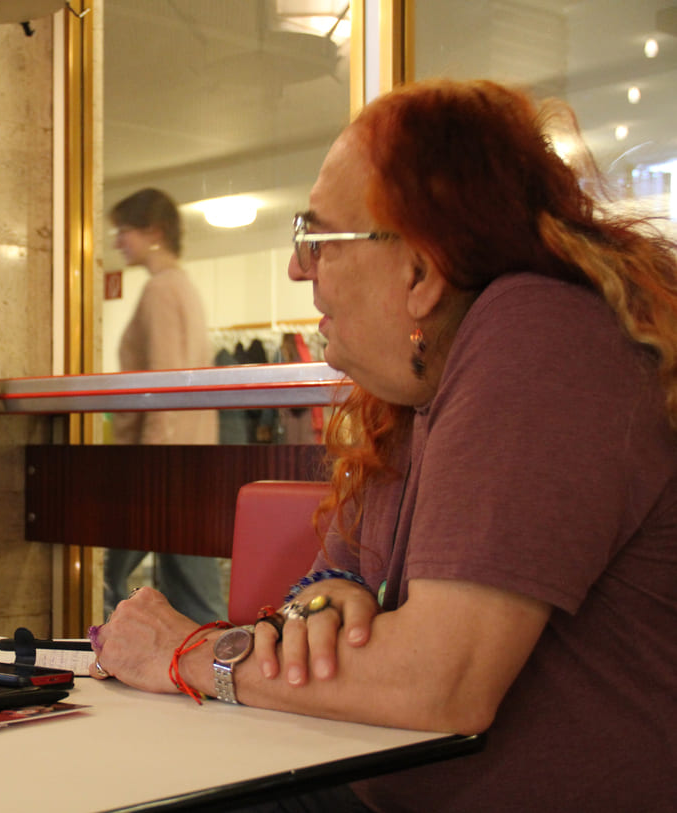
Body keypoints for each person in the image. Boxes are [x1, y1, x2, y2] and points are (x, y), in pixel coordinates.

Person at [92, 79, 677, 812]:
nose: (296, 269)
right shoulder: (410, 393)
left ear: (422, 269)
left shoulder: (540, 338)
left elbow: (442, 684)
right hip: (356, 781)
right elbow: (313, 589)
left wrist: (188, 655)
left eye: (316, 238)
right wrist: (322, 609)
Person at [104, 188, 225, 624]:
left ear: (153, 232)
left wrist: (151, 465)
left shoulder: (161, 289)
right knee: (188, 583)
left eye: (125, 231)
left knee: (138, 579)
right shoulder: (183, 287)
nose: (118, 241)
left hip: (167, 463)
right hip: (188, 460)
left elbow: (164, 386)